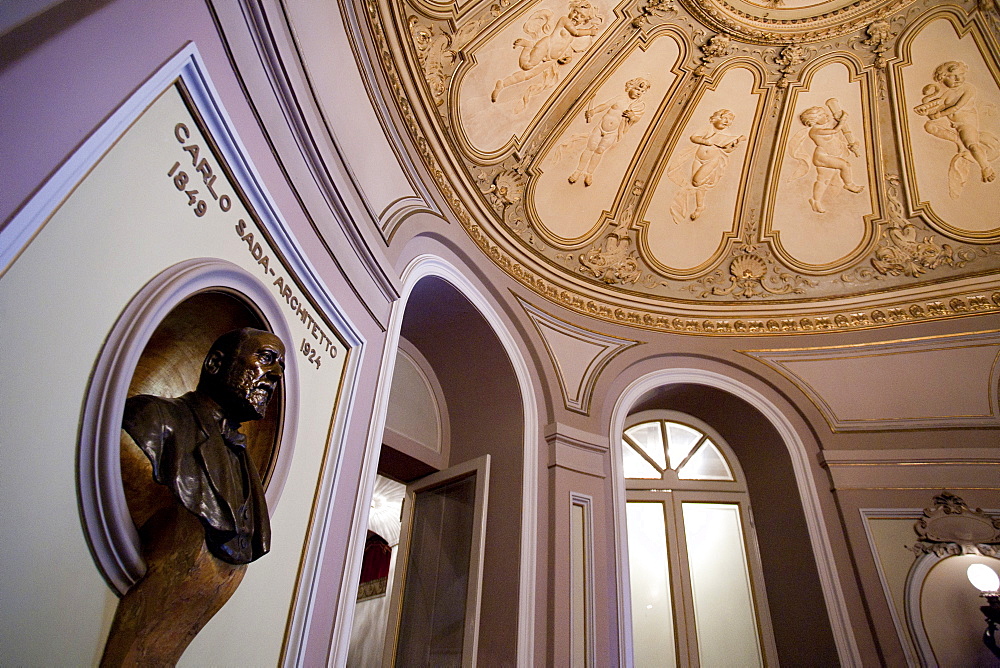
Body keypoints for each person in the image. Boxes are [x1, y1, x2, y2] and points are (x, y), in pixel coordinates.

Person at [102, 328, 285, 666]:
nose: (274, 376)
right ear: (215, 363)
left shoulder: (246, 465)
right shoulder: (155, 418)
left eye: (280, 368)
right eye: (266, 359)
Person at [491, 0, 602, 104]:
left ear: (585, 21)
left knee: (529, 75)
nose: (577, 16)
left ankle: (503, 84)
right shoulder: (564, 20)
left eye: (581, 16)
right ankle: (528, 46)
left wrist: (567, 57)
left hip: (551, 58)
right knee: (527, 65)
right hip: (546, 46)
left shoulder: (572, 34)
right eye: (575, 12)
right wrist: (590, 31)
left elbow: (566, 45)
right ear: (571, 10)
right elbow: (576, 32)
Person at [915, 60, 996, 184]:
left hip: (966, 123)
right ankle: (958, 141)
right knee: (929, 126)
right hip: (952, 123)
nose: (958, 79)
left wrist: (939, 114)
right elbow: (939, 102)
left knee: (972, 145)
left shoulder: (969, 88)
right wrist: (925, 110)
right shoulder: (948, 92)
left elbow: (956, 107)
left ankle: (986, 167)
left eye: (961, 74)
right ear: (942, 78)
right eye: (952, 76)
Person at [568, 77, 650, 186]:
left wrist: (632, 116)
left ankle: (589, 173)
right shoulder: (620, 98)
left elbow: (636, 119)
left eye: (641, 91)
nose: (638, 93)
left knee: (600, 150)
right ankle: (578, 171)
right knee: (591, 147)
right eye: (636, 89)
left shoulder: (637, 106)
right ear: (630, 87)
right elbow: (605, 105)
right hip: (601, 127)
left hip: (613, 132)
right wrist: (593, 111)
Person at [797, 105, 865, 213]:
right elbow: (835, 131)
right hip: (823, 157)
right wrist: (842, 120)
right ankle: (849, 184)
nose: (827, 116)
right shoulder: (815, 131)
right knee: (845, 165)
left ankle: (815, 201)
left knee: (824, 180)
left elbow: (837, 134)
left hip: (830, 156)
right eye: (822, 115)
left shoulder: (824, 127)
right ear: (814, 120)